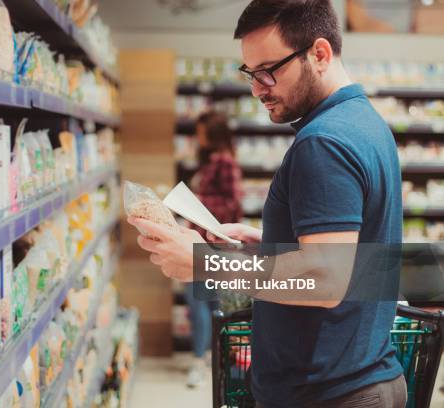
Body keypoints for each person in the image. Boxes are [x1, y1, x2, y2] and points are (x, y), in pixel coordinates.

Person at [127, 0, 407, 407]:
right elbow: (351, 255)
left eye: (268, 72)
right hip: (352, 380)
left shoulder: (323, 142)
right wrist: (268, 241)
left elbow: (325, 281)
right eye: (250, 74)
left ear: (320, 54)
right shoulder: (363, 122)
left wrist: (207, 263)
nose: (257, 88)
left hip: (331, 392)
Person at [184, 111, 243, 388]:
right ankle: (209, 359)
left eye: (201, 130)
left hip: (212, 245)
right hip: (203, 242)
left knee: (202, 304)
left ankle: (204, 360)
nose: (198, 136)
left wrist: (197, 201)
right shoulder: (209, 160)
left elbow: (232, 204)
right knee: (207, 304)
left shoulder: (225, 162)